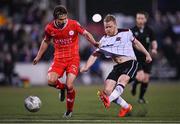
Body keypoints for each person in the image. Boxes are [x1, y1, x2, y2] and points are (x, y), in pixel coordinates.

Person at [33, 5, 99, 118]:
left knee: (70, 85)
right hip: (58, 59)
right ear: (55, 19)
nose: (64, 21)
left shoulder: (73, 24)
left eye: (65, 18)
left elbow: (86, 34)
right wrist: (38, 56)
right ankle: (62, 88)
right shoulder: (49, 28)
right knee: (50, 81)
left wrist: (94, 43)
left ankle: (69, 111)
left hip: (73, 58)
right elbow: (46, 41)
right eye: (61, 19)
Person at [80, 14, 152, 117]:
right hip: (117, 66)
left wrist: (147, 54)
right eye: (106, 27)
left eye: (110, 26)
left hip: (130, 62)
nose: (107, 29)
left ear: (115, 25)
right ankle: (127, 107)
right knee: (108, 90)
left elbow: (136, 43)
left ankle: (108, 100)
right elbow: (95, 54)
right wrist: (86, 67)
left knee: (122, 81)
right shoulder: (103, 40)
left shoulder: (126, 32)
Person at [131, 11, 158, 103]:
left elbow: (154, 41)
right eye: (138, 18)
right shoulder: (132, 31)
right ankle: (134, 85)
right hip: (136, 58)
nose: (140, 20)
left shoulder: (149, 30)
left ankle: (141, 98)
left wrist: (154, 49)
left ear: (145, 19)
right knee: (140, 77)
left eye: (142, 18)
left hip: (147, 57)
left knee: (146, 79)